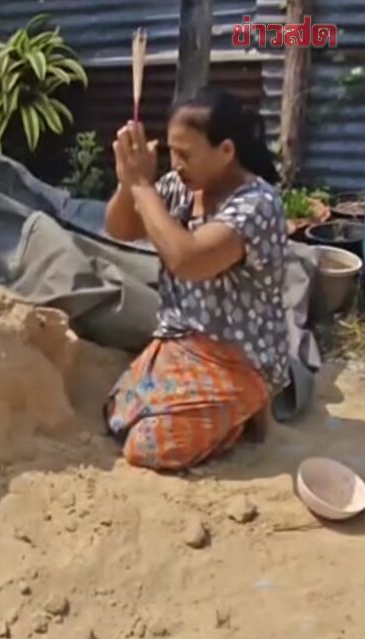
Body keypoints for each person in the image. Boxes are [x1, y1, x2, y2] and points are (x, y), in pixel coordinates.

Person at [103, 87, 288, 471]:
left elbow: (188, 259)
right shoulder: (181, 186)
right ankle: (228, 413)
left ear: (226, 151)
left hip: (239, 360)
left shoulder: (258, 205)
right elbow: (120, 229)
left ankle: (241, 415)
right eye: (172, 151)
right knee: (116, 415)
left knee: (144, 447)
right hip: (182, 344)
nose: (176, 163)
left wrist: (142, 186)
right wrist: (127, 183)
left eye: (185, 154)